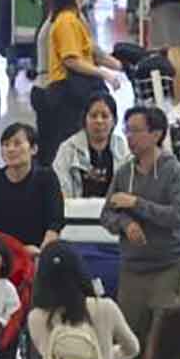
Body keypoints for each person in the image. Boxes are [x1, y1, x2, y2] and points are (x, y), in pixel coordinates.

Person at [100, 106, 180, 359]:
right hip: (132, 269)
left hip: (168, 267)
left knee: (162, 343)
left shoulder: (175, 172)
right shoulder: (124, 172)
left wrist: (138, 205)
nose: (129, 137)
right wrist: (124, 224)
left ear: (156, 134)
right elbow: (107, 213)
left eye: (136, 130)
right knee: (134, 343)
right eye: (126, 130)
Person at [53, 92, 130, 298]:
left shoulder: (123, 148)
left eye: (105, 116)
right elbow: (59, 187)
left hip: (113, 223)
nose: (99, 121)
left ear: (113, 120)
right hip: (75, 223)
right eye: (93, 115)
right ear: (84, 119)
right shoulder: (67, 149)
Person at [42, 0, 124, 156]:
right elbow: (71, 60)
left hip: (75, 89)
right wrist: (104, 74)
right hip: (66, 92)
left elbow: (92, 53)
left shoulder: (78, 19)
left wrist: (120, 65)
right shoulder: (66, 21)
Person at [0, 124, 65, 256]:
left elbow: (55, 223)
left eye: (17, 144)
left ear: (33, 149)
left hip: (32, 252)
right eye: (5, 144)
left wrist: (43, 253)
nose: (10, 149)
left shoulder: (47, 178)